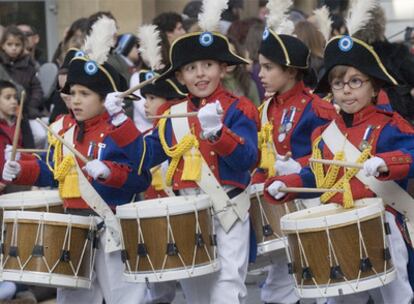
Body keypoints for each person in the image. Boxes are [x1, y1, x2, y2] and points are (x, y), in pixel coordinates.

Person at [105, 2, 259, 302]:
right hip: (186, 214)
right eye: (190, 68)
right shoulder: (172, 115)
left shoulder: (240, 109)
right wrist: (121, 121)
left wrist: (218, 133)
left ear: (223, 67)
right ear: (179, 77)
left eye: (208, 65)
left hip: (228, 211)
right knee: (198, 294)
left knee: (228, 290)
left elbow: (247, 159)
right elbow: (145, 158)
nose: (200, 74)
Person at [2, 16, 151, 304]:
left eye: (85, 94)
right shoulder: (63, 128)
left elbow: (140, 177)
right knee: (73, 300)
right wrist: (20, 170)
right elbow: (53, 171)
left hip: (112, 228)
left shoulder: (118, 131)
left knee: (125, 299)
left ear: (105, 97)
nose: (76, 100)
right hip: (73, 227)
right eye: (72, 93)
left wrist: (109, 173)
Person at [264, 34, 414, 304]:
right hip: (339, 226)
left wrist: (387, 162)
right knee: (341, 299)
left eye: (355, 81)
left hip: (383, 224)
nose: (346, 90)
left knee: (396, 297)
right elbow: (318, 174)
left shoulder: (390, 126)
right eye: (338, 82)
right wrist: (286, 184)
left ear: (374, 87)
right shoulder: (324, 134)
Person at [252, 3, 337, 303]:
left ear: (290, 70)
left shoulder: (320, 108)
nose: (260, 74)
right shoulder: (265, 109)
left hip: (313, 201)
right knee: (279, 283)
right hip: (278, 204)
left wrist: (296, 167)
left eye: (267, 67)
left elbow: (331, 160)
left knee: (322, 278)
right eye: (260, 66)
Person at [0, 26, 44, 121]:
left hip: (25, 112)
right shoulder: (1, 66)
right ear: (3, 45)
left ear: (23, 46)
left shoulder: (28, 65)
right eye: (9, 44)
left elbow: (37, 89)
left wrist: (30, 106)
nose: (14, 48)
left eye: (17, 45)